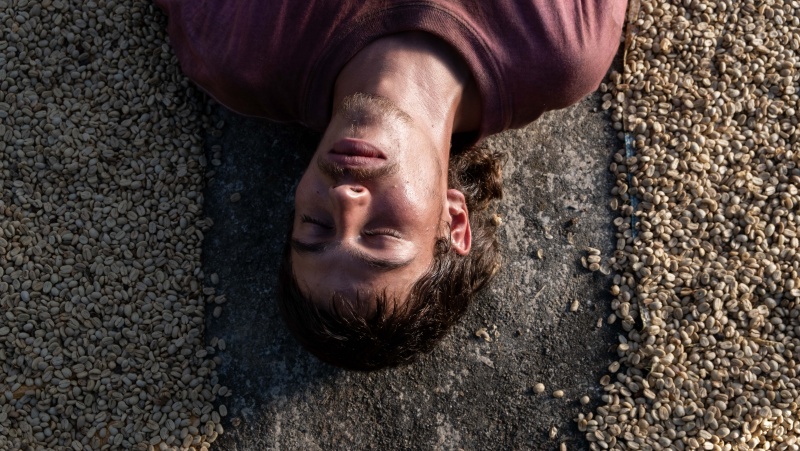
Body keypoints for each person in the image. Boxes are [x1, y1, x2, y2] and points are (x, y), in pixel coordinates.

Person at [157, 0, 628, 370]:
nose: (345, 200)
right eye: (381, 235)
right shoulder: (559, 47)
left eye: (315, 225)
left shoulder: (240, 51)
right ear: (454, 220)